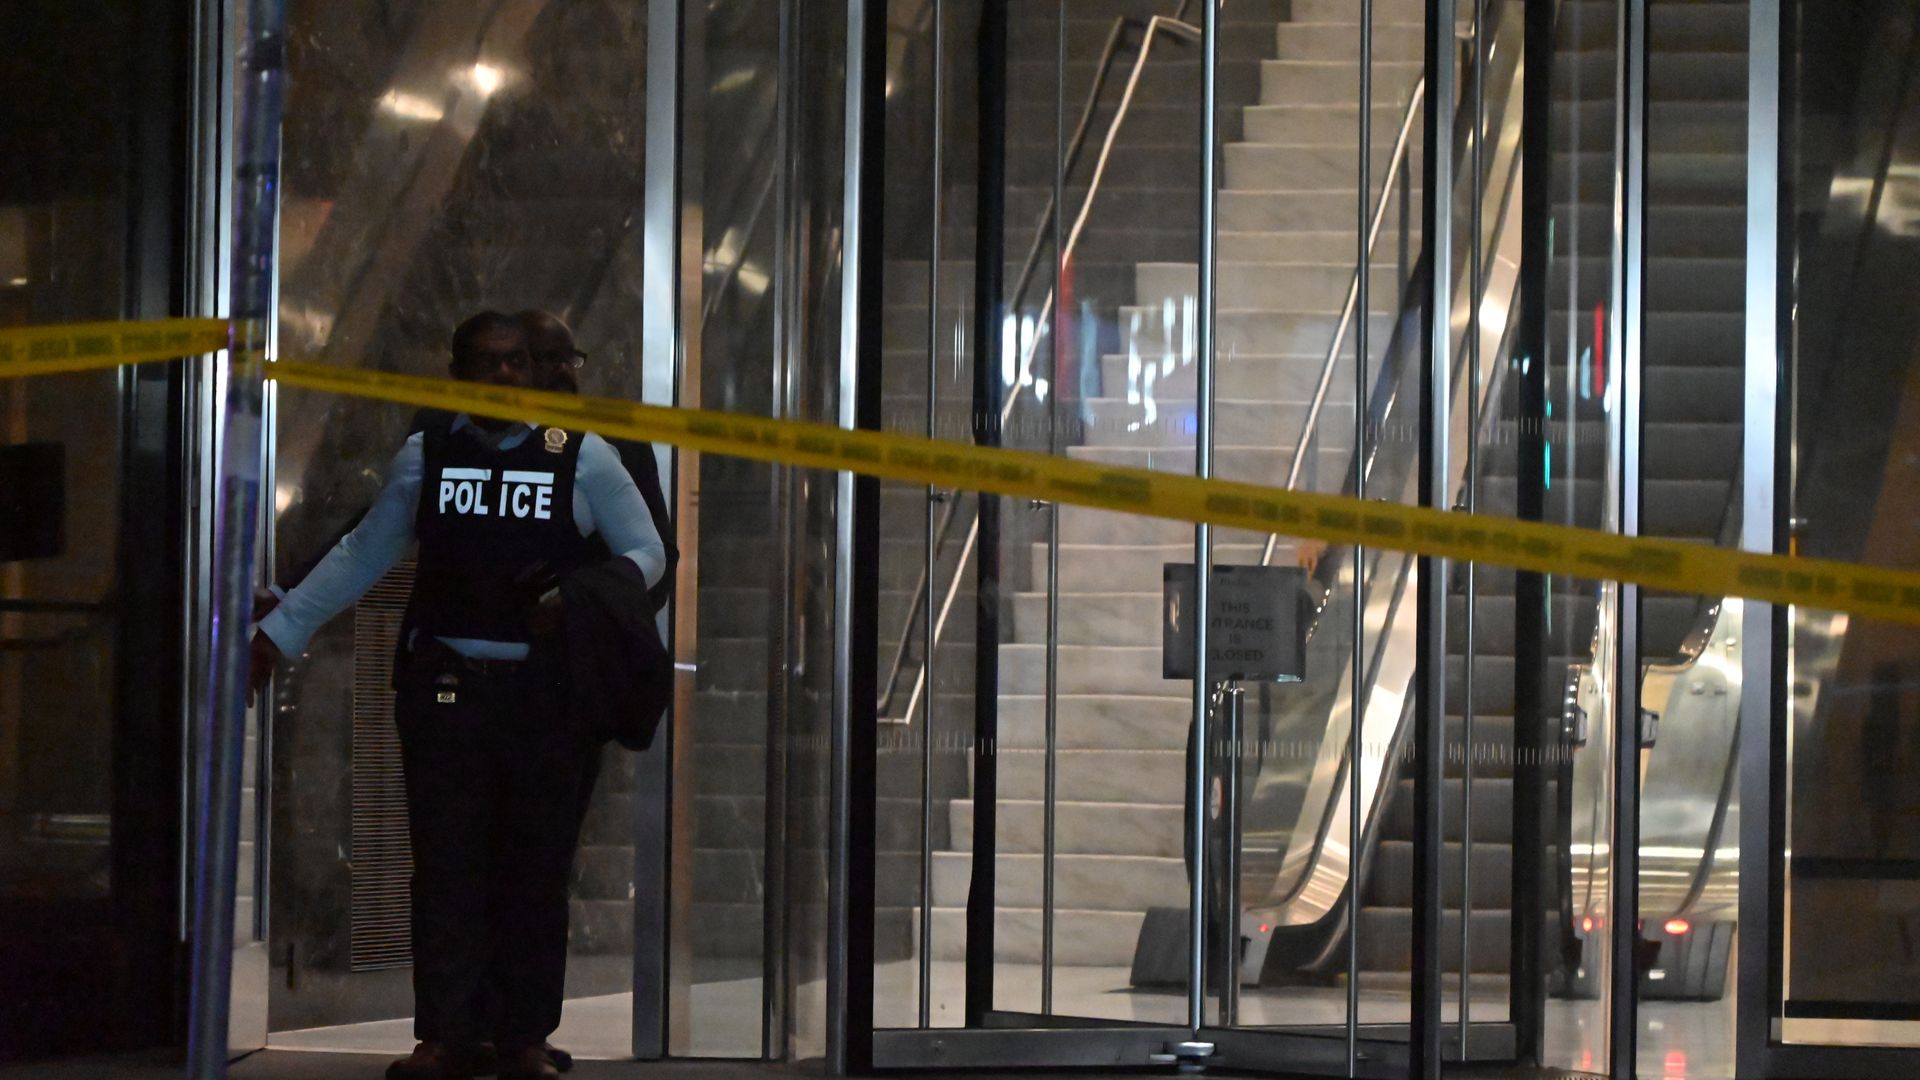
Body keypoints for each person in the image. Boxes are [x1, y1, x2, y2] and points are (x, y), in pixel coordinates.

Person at [250, 311, 666, 1080]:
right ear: (458, 376)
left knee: (535, 871)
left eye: (516, 364)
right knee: (446, 869)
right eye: (487, 364)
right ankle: (443, 1036)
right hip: (446, 691)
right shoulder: (429, 453)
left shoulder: (585, 455)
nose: (504, 376)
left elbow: (647, 552)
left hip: (545, 697)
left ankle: (522, 1039)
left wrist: (580, 595)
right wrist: (285, 628)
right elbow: (364, 550)